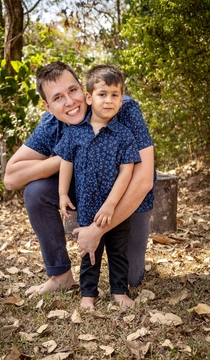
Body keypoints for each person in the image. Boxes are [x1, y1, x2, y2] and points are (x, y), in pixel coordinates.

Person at [4, 61, 154, 298]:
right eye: (58, 98)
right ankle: (60, 275)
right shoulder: (51, 123)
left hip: (128, 199)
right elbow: (11, 178)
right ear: (48, 106)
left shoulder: (123, 109)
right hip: (85, 195)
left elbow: (144, 180)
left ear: (84, 91)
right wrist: (68, 156)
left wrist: (96, 230)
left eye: (72, 90)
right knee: (36, 191)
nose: (70, 102)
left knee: (131, 279)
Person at [55, 65, 141, 309]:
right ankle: (88, 294)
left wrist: (111, 205)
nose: (109, 100)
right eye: (102, 94)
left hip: (116, 207)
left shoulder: (123, 135)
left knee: (117, 252)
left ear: (121, 99)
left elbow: (127, 172)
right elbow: (66, 162)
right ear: (89, 98)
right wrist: (62, 193)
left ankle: (119, 292)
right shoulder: (75, 133)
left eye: (115, 95)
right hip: (88, 205)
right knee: (89, 253)